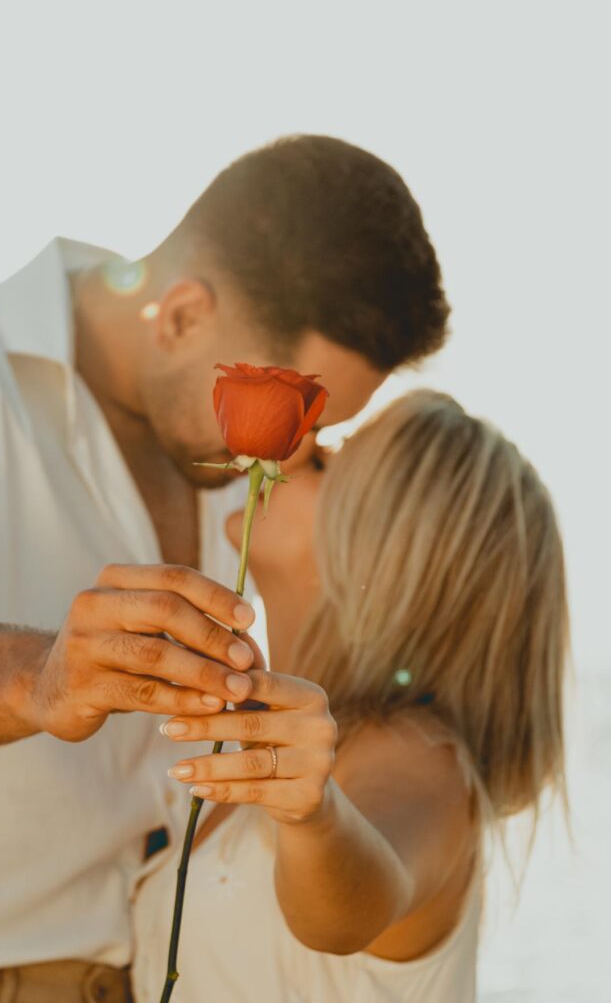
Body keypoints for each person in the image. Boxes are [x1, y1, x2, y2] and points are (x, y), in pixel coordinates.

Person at [0, 135, 449, 999]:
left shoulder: (234, 474)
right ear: (176, 315)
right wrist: (38, 678)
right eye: (298, 415)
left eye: (317, 430)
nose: (297, 456)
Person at [131, 389, 571, 1003]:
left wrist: (314, 818)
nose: (299, 445)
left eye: (330, 462)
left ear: (387, 552)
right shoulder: (284, 743)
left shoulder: (422, 759)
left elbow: (347, 914)